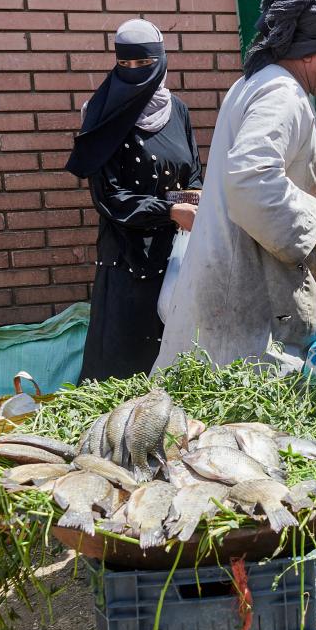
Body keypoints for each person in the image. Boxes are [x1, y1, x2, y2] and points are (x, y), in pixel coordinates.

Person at [153, 0, 316, 374]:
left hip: (233, 290)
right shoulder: (280, 93)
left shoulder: (259, 84)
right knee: (238, 424)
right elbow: (251, 180)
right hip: (245, 303)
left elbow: (275, 183)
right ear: (311, 52)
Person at [66, 19, 203, 382]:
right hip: (128, 260)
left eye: (143, 64)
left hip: (176, 258)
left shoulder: (178, 110)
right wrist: (171, 209)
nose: (133, 73)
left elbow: (192, 175)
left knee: (175, 366)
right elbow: (110, 196)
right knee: (122, 371)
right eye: (125, 65)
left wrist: (194, 198)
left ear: (160, 61)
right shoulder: (102, 114)